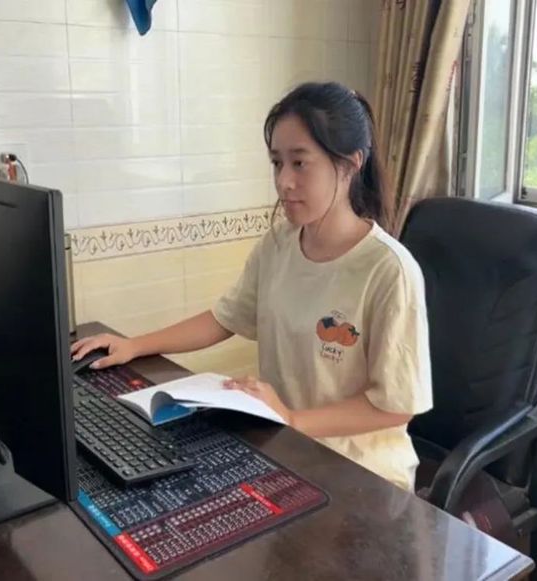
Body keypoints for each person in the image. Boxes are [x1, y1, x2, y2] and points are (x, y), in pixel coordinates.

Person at [71, 81, 432, 492]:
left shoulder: (389, 270)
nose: (284, 181)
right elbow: (224, 318)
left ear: (350, 164)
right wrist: (134, 345)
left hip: (362, 474)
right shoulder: (279, 243)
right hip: (286, 446)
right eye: (277, 163)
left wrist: (293, 419)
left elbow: (396, 408)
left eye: (300, 163)